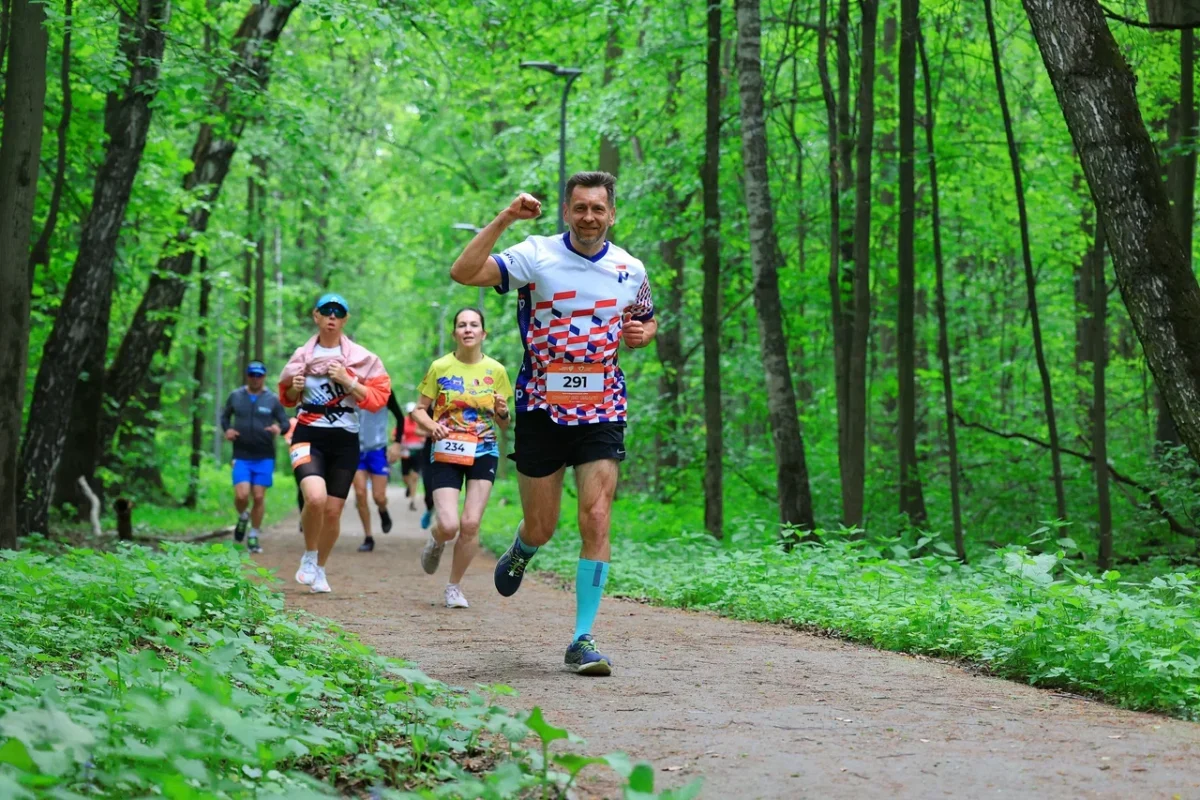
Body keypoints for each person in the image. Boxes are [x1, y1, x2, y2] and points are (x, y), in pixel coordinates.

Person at [449, 171, 656, 675]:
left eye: (598, 209)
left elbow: (646, 318)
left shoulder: (630, 268)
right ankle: (524, 547)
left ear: (612, 214)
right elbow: (464, 272)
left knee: (597, 517)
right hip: (542, 405)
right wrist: (505, 217)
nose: (589, 217)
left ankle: (582, 638)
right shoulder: (535, 254)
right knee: (543, 525)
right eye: (580, 208)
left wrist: (641, 333)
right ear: (567, 211)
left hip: (603, 405)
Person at [278, 293, 391, 593]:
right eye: (326, 311)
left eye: (338, 313)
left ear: (344, 320)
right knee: (314, 498)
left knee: (332, 510)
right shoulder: (301, 356)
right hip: (307, 435)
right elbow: (287, 398)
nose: (331, 317)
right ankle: (309, 555)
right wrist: (293, 388)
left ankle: (321, 568)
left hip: (345, 441)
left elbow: (378, 399)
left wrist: (347, 379)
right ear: (315, 315)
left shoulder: (363, 360)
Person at [410, 307, 512, 609]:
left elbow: (505, 423)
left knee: (470, 524)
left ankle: (454, 587)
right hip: (446, 449)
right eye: (462, 325)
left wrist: (503, 412)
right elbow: (418, 410)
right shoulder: (440, 367)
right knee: (450, 524)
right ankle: (437, 539)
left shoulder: (497, 371)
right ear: (455, 333)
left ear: (483, 333)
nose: (468, 330)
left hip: (484, 449)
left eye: (474, 325)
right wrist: (432, 426)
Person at [221, 360, 289, 553]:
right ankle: (243, 516)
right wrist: (228, 430)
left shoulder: (272, 399)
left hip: (264, 455)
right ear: (247, 376)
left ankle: (254, 535)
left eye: (259, 375)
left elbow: (285, 423)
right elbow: (225, 417)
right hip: (241, 454)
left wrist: (278, 428)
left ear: (264, 377)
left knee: (258, 497)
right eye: (252, 375)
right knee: (241, 495)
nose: (255, 379)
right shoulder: (236, 396)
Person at [354, 392, 406, 552]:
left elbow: (400, 417)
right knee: (360, 494)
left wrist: (397, 444)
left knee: (379, 497)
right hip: (354, 450)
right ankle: (368, 537)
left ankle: (383, 510)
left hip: (377, 450)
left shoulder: (384, 391)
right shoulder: (347, 384)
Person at [393, 401, 428, 512]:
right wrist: (398, 439)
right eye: (409, 413)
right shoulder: (403, 422)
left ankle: (412, 501)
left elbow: (427, 432)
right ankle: (408, 486)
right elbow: (394, 435)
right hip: (406, 452)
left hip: (418, 451)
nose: (411, 415)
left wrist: (424, 437)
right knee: (406, 477)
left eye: (413, 412)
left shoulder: (421, 422)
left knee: (415, 476)